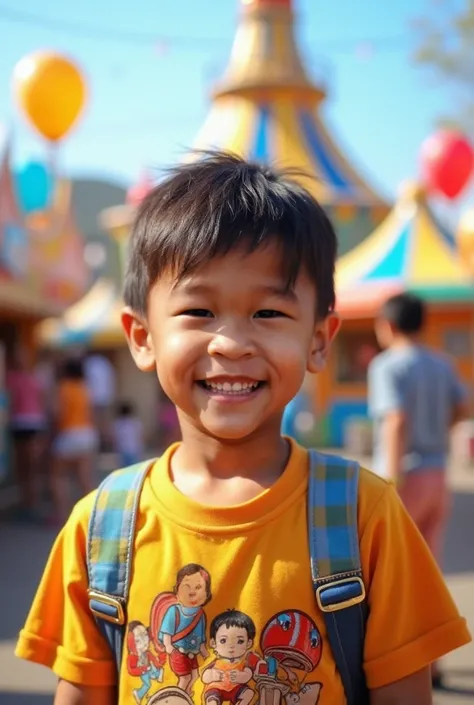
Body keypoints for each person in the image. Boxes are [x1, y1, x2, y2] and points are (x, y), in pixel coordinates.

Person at [16, 153, 470, 705]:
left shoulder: (365, 518)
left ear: (319, 340)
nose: (231, 343)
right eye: (198, 312)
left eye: (269, 314)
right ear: (142, 337)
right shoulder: (102, 528)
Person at [367, 292, 469, 688]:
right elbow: (463, 406)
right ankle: (435, 662)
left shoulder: (387, 365)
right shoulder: (442, 363)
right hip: (437, 473)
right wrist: (439, 431)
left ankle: (400, 670)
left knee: (392, 580)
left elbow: (394, 422)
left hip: (405, 476)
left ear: (388, 326)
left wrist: (389, 481)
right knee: (430, 574)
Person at [50, 357, 98, 524]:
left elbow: (58, 414)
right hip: (87, 434)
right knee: (84, 477)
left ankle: (61, 515)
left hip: (69, 434)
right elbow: (91, 413)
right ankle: (94, 516)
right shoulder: (85, 388)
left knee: (57, 477)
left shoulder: (63, 388)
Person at [6, 346, 47, 520]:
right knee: (30, 467)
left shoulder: (12, 378)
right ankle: (30, 503)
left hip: (21, 424)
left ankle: (29, 504)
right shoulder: (34, 379)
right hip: (34, 423)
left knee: (24, 467)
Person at [112, 400, 144, 466]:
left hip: (122, 450)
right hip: (134, 450)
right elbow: (140, 437)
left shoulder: (118, 424)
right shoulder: (136, 423)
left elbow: (115, 438)